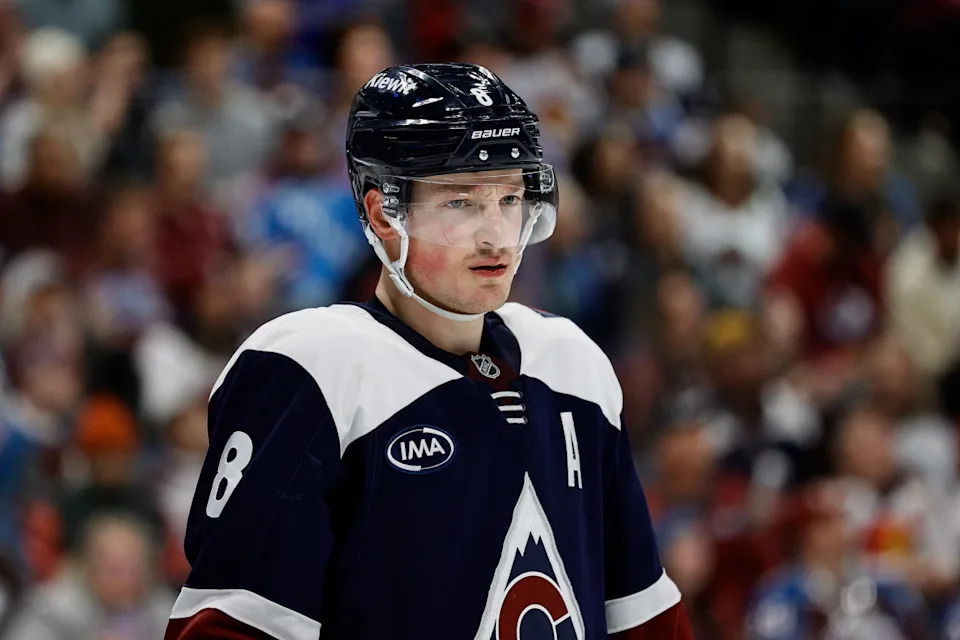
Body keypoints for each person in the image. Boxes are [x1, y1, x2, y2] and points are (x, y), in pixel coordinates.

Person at [164, 63, 691, 639]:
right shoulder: (312, 370)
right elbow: (234, 627)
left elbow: (645, 620)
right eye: (460, 203)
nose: (495, 235)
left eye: (509, 198)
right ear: (382, 214)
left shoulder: (572, 365)